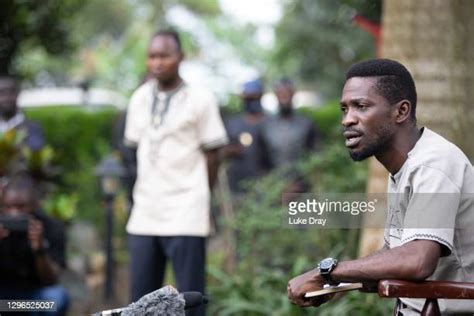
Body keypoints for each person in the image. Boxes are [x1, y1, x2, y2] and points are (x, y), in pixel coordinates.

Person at [287, 59, 474, 314]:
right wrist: (336, 283)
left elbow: (418, 261)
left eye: (360, 106)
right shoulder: (404, 166)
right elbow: (395, 252)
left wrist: (327, 272)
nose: (347, 120)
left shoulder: (434, 165)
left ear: (401, 111)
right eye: (344, 109)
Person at [123, 30, 228, 316]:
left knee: (189, 299)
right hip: (145, 212)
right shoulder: (140, 98)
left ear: (180, 58)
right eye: (152, 56)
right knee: (140, 303)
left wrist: (199, 196)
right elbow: (132, 151)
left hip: (186, 212)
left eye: (165, 56)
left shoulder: (200, 98)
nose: (157, 63)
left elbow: (213, 154)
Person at [0, 175, 69, 315]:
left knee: (57, 298)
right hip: (3, 297)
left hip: (35, 297)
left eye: (21, 207)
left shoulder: (51, 227)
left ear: (34, 205)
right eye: (8, 207)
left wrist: (39, 250)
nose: (14, 213)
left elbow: (52, 280)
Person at [259, 78, 319, 193]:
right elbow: (262, 162)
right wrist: (274, 186)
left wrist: (300, 184)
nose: (284, 98)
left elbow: (315, 157)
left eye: (287, 93)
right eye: (280, 94)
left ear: (293, 94)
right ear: (276, 95)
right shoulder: (265, 126)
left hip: (302, 189)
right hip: (274, 191)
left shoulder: (306, 124)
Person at [222, 79, 268, 193]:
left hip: (265, 187)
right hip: (236, 188)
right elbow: (219, 151)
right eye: (248, 98)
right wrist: (230, 150)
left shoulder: (271, 123)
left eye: (254, 97)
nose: (251, 101)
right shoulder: (231, 123)